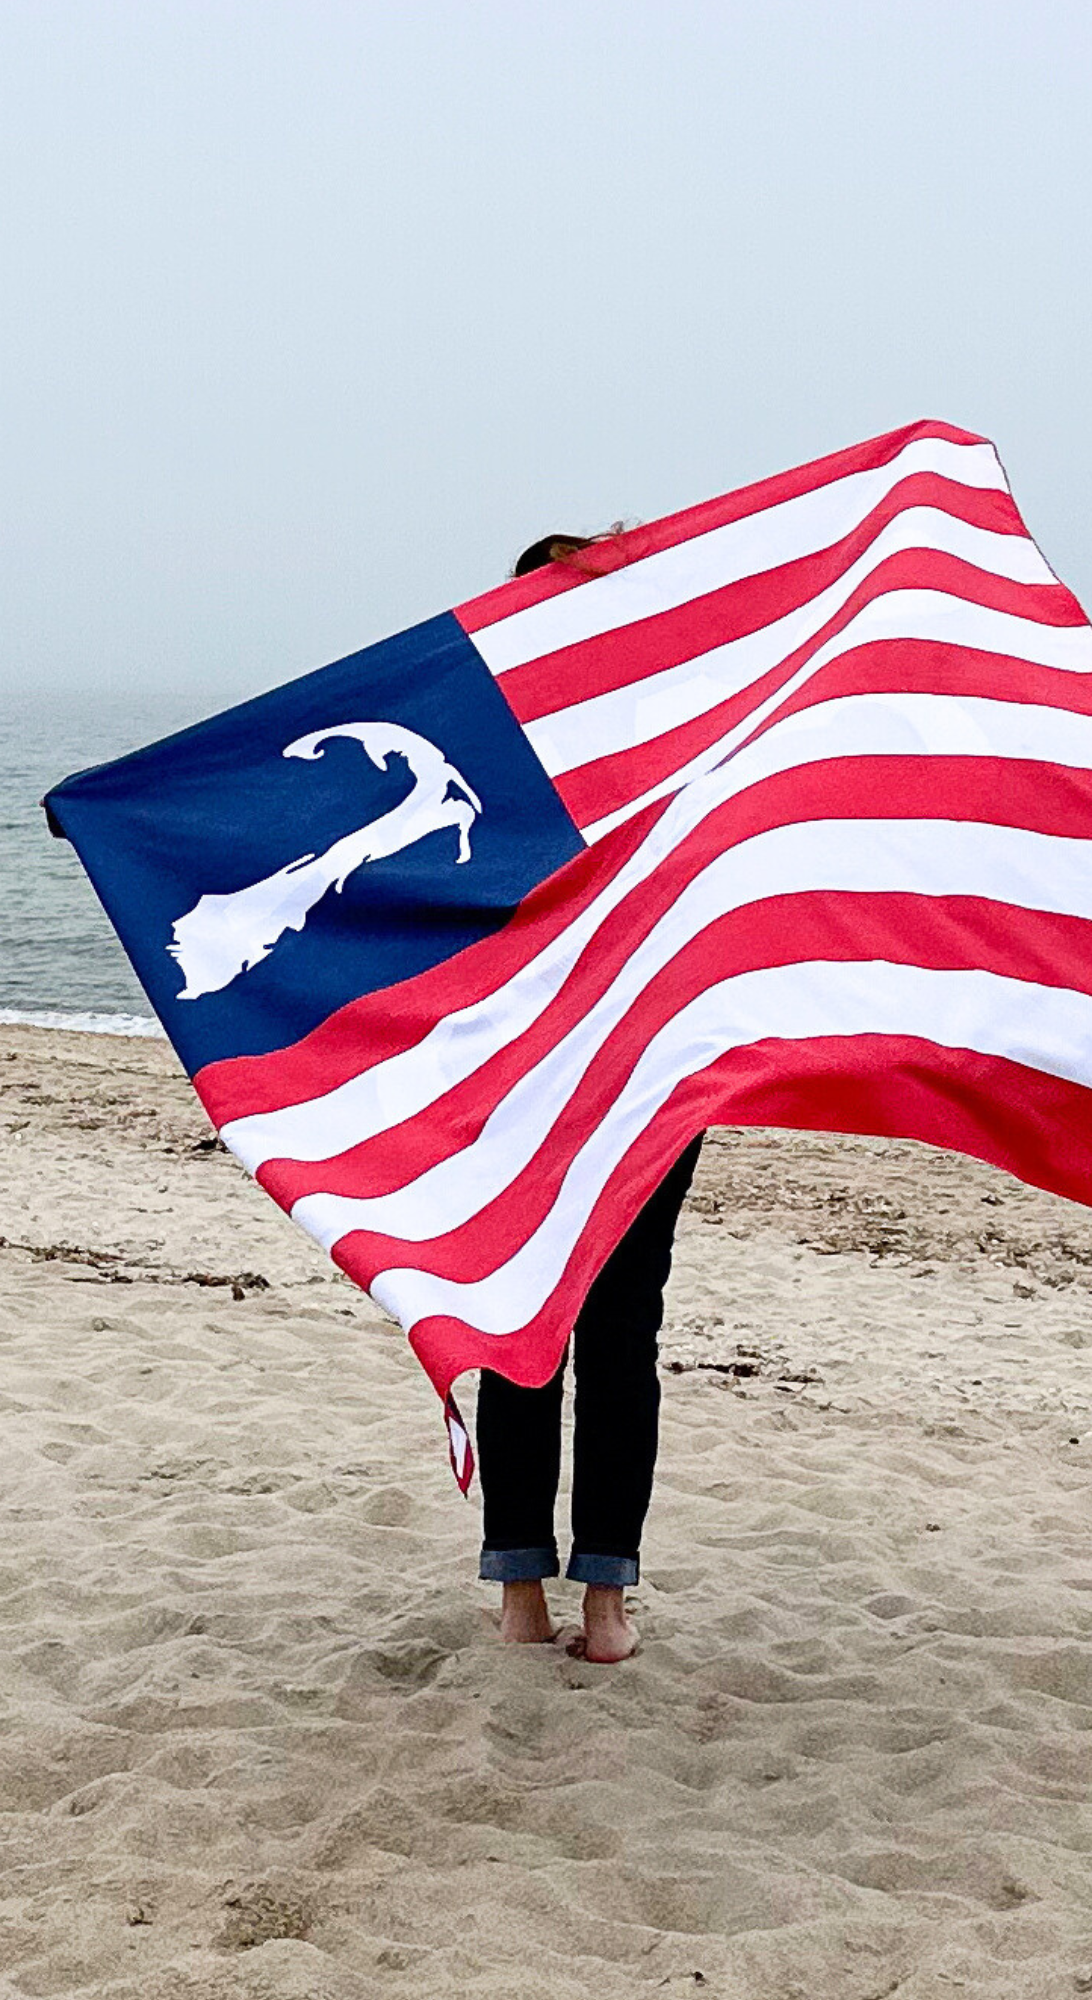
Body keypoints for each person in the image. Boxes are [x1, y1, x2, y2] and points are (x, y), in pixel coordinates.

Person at [475, 531, 701, 1665]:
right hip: (565, 1071)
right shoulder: (655, 756)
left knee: (571, 1325)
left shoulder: (657, 746)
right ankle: (566, 1596)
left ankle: (562, 1594)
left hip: (621, 1072)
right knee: (570, 1327)